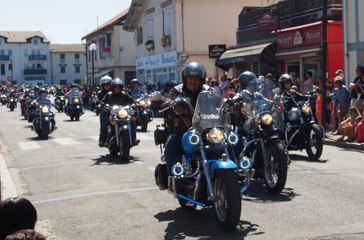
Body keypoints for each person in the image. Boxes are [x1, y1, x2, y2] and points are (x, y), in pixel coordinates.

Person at [163, 62, 210, 176]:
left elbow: (219, 100)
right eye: (190, 78)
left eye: (196, 79)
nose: (192, 81)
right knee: (172, 143)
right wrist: (173, 104)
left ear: (201, 80)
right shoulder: (177, 90)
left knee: (224, 141)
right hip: (182, 130)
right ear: (185, 79)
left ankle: (235, 173)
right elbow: (166, 102)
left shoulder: (208, 90)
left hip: (205, 130)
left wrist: (229, 105)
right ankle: (174, 176)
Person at [99, 78, 139, 147]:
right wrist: (102, 104)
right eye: (115, 87)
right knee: (105, 120)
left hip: (123, 113)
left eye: (119, 87)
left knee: (132, 120)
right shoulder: (109, 94)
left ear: (121, 87)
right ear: (113, 87)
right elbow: (103, 101)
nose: (117, 88)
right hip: (112, 113)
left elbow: (131, 100)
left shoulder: (125, 94)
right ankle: (102, 139)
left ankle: (133, 138)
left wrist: (135, 103)